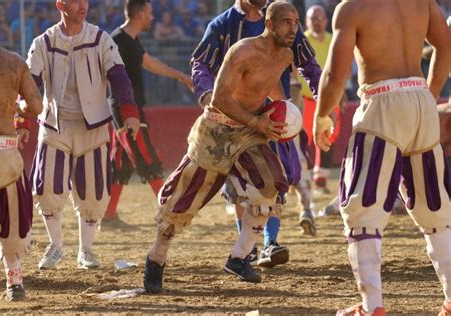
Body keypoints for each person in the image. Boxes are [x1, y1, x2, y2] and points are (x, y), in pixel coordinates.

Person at [144, 2, 300, 292]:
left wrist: (285, 116)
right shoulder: (242, 51)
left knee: (270, 188)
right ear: (269, 24)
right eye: (286, 23)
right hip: (216, 128)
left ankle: (239, 258)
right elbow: (219, 100)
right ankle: (156, 258)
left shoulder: (286, 55)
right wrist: (257, 122)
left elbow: (272, 91)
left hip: (250, 131)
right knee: (181, 204)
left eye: (295, 22)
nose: (293, 29)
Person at [313, 0, 451, 314]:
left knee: (363, 205)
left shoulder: (353, 7)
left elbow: (335, 73)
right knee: (436, 207)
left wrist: (322, 116)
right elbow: (446, 45)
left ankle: (372, 306)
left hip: (381, 100)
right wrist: (430, 93)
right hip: (420, 100)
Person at [190, 0, 322, 268]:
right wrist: (205, 93)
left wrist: (324, 97)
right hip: (230, 118)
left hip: (272, 117)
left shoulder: (283, 19)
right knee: (239, 187)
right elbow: (200, 63)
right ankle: (247, 248)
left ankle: (270, 242)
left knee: (275, 179)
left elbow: (308, 64)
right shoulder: (221, 25)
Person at [26, 0, 140, 270]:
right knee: (48, 188)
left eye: (85, 0)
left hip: (94, 125)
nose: (82, 6)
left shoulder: (100, 39)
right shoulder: (43, 42)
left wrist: (130, 111)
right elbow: (31, 85)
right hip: (56, 123)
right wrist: (21, 117)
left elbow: (119, 77)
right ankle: (55, 246)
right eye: (75, 1)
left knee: (92, 189)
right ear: (60, 4)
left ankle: (86, 250)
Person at [100, 0, 193, 230]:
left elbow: (149, 63)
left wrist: (181, 77)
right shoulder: (118, 41)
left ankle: (108, 216)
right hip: (125, 109)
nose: (152, 18)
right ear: (140, 14)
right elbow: (105, 76)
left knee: (121, 165)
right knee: (146, 157)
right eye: (150, 13)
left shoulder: (129, 40)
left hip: (127, 108)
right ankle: (169, 211)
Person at [0, 2, 42, 300]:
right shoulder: (13, 61)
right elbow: (37, 106)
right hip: (5, 148)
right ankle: (14, 283)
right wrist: (17, 107)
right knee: (12, 220)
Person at [299, 5, 343, 196]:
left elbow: (343, 67)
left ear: (326, 20)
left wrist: (343, 93)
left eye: (320, 17)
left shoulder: (335, 39)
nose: (317, 21)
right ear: (307, 21)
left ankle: (320, 181)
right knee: (301, 140)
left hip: (331, 98)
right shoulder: (301, 40)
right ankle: (299, 180)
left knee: (328, 137)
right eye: (313, 18)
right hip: (305, 98)